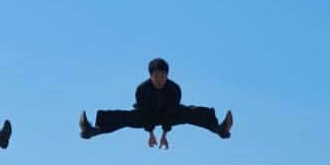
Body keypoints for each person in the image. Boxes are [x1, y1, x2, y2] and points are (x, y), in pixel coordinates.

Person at [79, 58, 232, 149]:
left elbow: (171, 112)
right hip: (145, 115)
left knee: (193, 113)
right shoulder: (142, 89)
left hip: (171, 114)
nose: (160, 80)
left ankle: (219, 129)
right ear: (150, 76)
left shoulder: (174, 89)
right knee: (122, 117)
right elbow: (145, 113)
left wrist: (164, 134)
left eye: (163, 76)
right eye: (157, 76)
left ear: (168, 75)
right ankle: (91, 131)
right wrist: (151, 133)